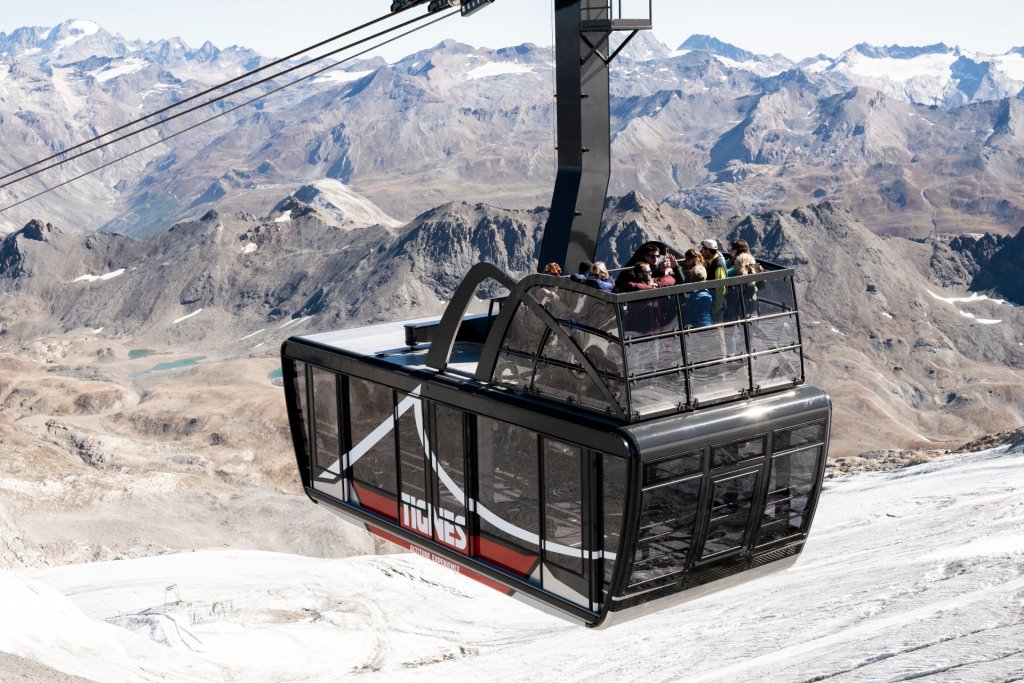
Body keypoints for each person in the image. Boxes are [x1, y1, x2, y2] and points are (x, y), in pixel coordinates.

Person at [699, 239, 728, 322]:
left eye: (703, 250)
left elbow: (721, 288)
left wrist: (716, 308)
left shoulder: (718, 266)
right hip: (713, 305)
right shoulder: (711, 262)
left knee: (717, 331)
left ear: (708, 250)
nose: (701, 252)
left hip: (718, 307)